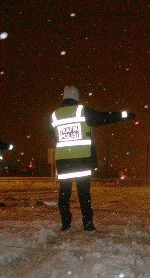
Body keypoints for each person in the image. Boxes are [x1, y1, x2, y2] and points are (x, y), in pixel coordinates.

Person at [50, 86, 135, 231]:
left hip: (63, 162)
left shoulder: (55, 115)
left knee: (64, 194)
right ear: (76, 98)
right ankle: (87, 224)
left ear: (64, 98)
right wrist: (124, 115)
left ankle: (65, 223)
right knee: (84, 194)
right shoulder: (82, 111)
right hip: (82, 160)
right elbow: (104, 117)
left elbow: (53, 135)